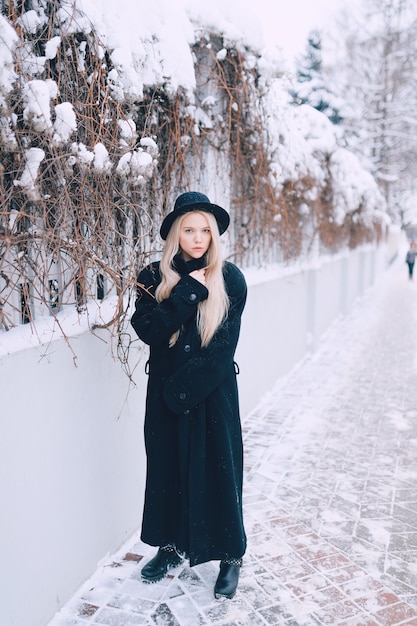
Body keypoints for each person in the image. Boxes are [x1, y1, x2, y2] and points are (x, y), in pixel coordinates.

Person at [130, 191, 247, 600]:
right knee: (167, 472)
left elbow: (222, 350)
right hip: (163, 397)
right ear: (175, 234)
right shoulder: (151, 277)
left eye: (204, 230)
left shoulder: (230, 278)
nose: (198, 238)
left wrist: (182, 393)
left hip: (212, 393)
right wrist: (184, 294)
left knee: (221, 472)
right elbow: (148, 330)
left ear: (213, 234)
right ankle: (171, 547)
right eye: (188, 230)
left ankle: (231, 555)